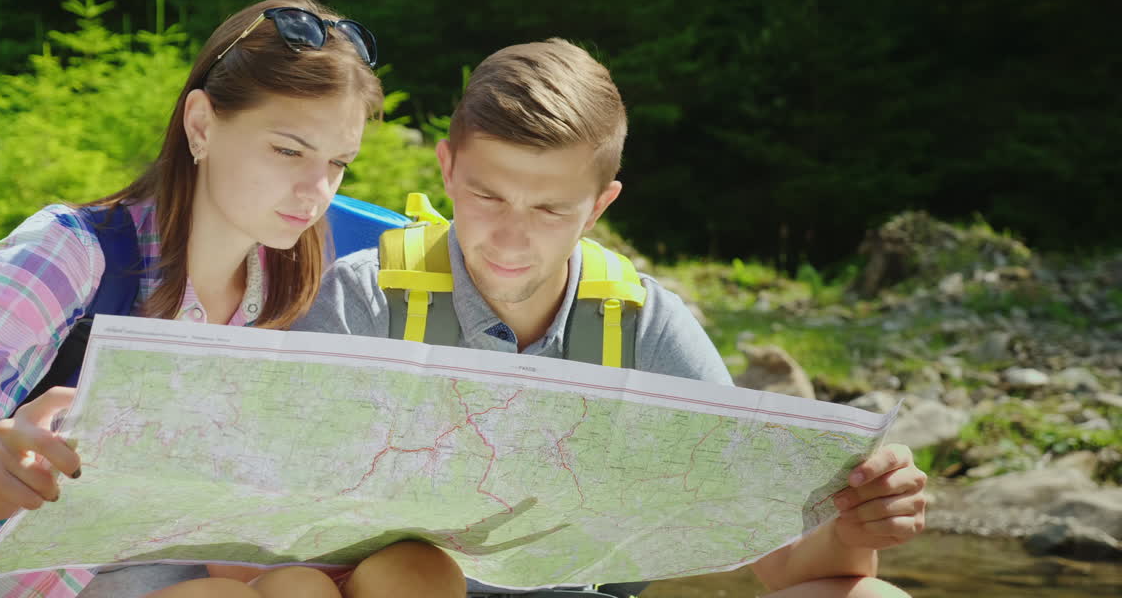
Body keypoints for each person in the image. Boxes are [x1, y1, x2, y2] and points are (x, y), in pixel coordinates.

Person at [0, 0, 460, 598]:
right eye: (287, 150)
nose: (315, 189)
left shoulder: (290, 286)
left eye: (338, 163)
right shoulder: (71, 253)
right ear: (200, 124)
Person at [293, 39, 927, 598]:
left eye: (550, 211)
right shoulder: (361, 301)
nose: (512, 240)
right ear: (449, 170)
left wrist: (855, 522)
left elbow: (788, 565)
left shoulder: (645, 326)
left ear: (599, 205)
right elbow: (274, 541)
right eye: (488, 197)